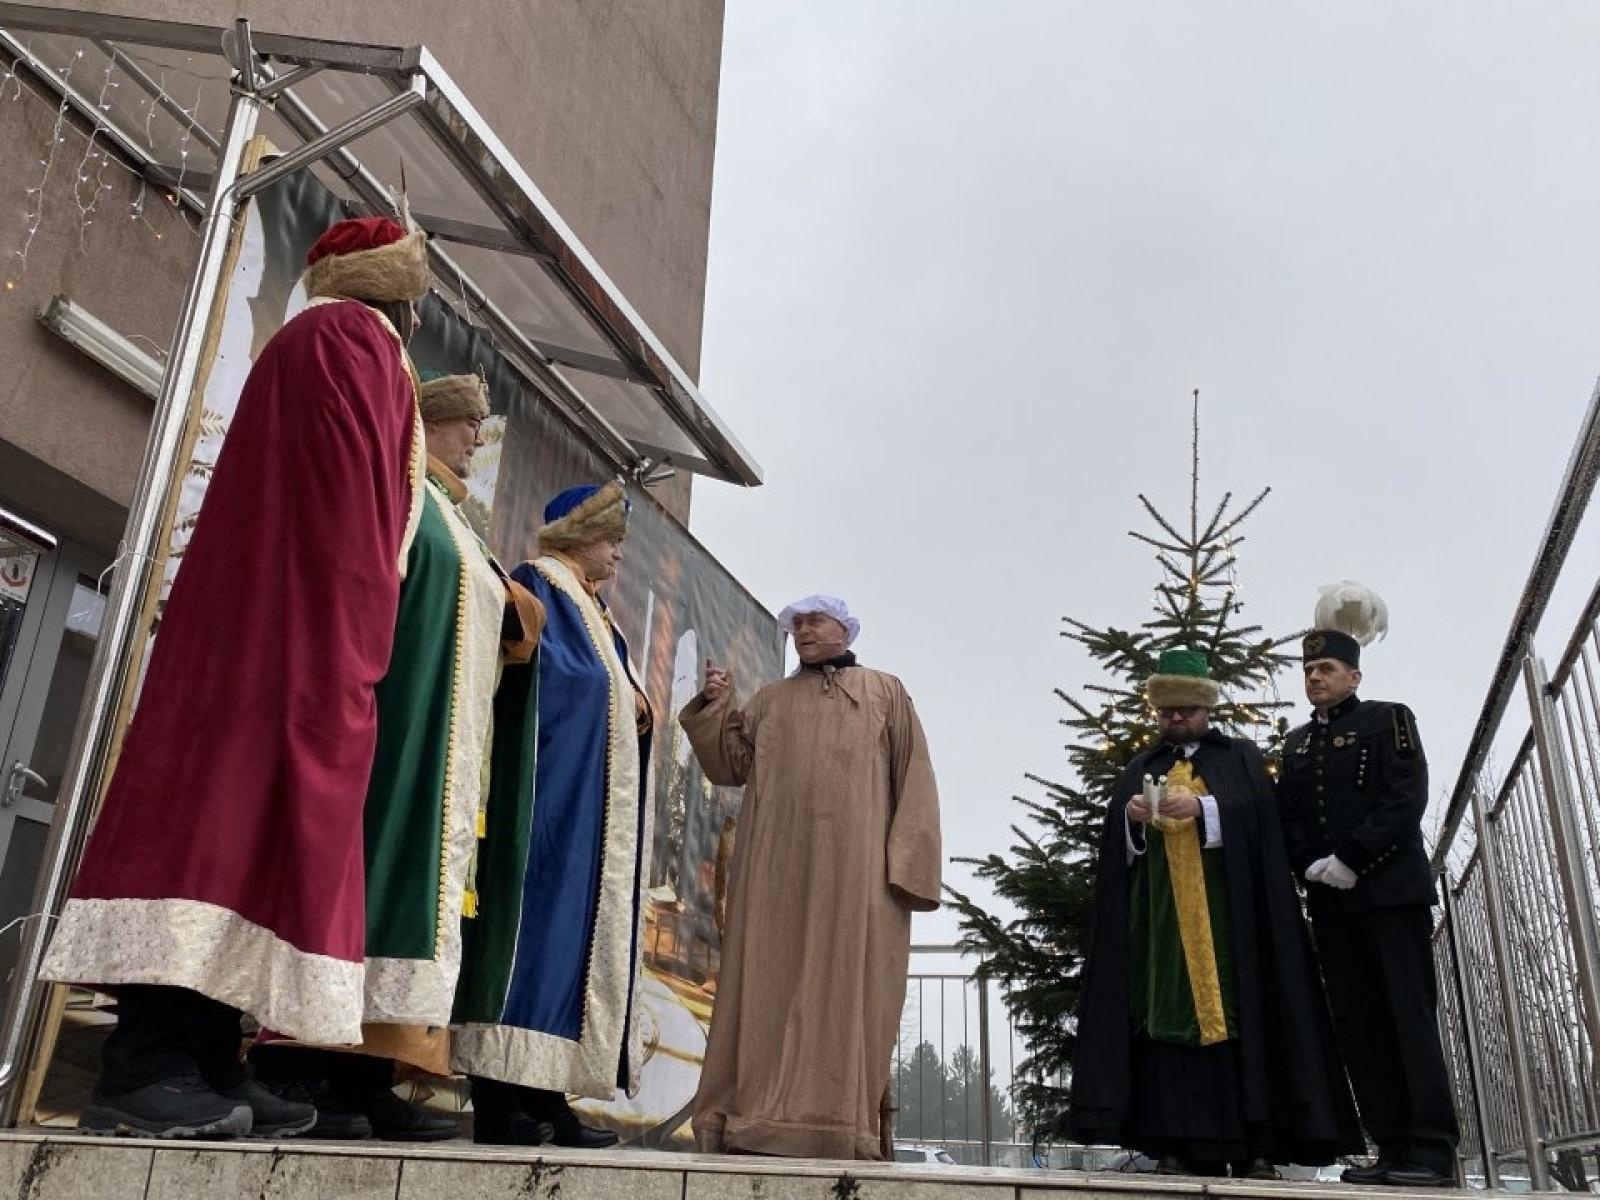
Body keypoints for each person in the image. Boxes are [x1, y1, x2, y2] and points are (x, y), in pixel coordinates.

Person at [40, 216, 432, 1138]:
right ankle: (147, 1067)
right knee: (218, 825)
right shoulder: (343, 338)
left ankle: (210, 1056)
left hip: (298, 631)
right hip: (288, 633)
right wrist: (351, 633)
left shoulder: (344, 342)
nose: (420, 310)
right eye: (417, 291)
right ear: (393, 287)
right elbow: (345, 505)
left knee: (256, 834)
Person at [251, 369, 543, 1141]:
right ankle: (301, 1070)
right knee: (366, 885)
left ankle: (367, 1076)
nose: (476, 439)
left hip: (441, 738)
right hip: (394, 721)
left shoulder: (455, 514)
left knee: (404, 900)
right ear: (428, 424)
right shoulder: (403, 491)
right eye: (463, 425)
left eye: (479, 429)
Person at [1068, 648, 1361, 1177]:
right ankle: (1172, 1141)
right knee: (1166, 1023)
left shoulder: (1240, 759)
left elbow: (1261, 820)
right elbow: (1118, 858)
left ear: (1206, 709)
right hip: (1162, 933)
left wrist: (1204, 809)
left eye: (1186, 709)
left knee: (1243, 1018)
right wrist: (1132, 819)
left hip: (1234, 926)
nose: (1176, 718)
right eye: (1167, 711)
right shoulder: (1142, 767)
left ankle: (1251, 1146)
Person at [677, 594, 942, 1160]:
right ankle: (753, 1119)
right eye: (796, 624)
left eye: (814, 621)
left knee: (850, 986)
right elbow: (729, 765)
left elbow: (914, 778)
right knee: (767, 981)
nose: (803, 631)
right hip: (776, 872)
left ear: (844, 627)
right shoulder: (771, 700)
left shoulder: (884, 691)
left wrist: (910, 872)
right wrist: (715, 703)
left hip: (858, 874)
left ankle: (837, 1124)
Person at [450, 480, 653, 1149]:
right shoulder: (542, 585)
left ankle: (548, 1094)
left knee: (570, 953)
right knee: (528, 942)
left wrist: (636, 706)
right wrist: (621, 703)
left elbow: (609, 691)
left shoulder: (597, 611)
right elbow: (549, 679)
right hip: (544, 802)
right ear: (574, 532)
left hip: (585, 815)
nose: (619, 553)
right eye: (610, 537)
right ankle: (501, 1100)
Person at [1278, 583, 1460, 1188]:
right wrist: (1309, 864)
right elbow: (1291, 816)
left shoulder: (1389, 720)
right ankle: (1390, 1146)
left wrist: (1353, 857)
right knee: (1358, 1024)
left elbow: (1405, 797)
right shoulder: (1298, 743)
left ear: (1353, 676)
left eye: (1325, 668)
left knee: (1406, 1017)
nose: (1314, 678)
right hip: (1333, 907)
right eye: (1308, 670)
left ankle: (1430, 1148)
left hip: (1389, 897)